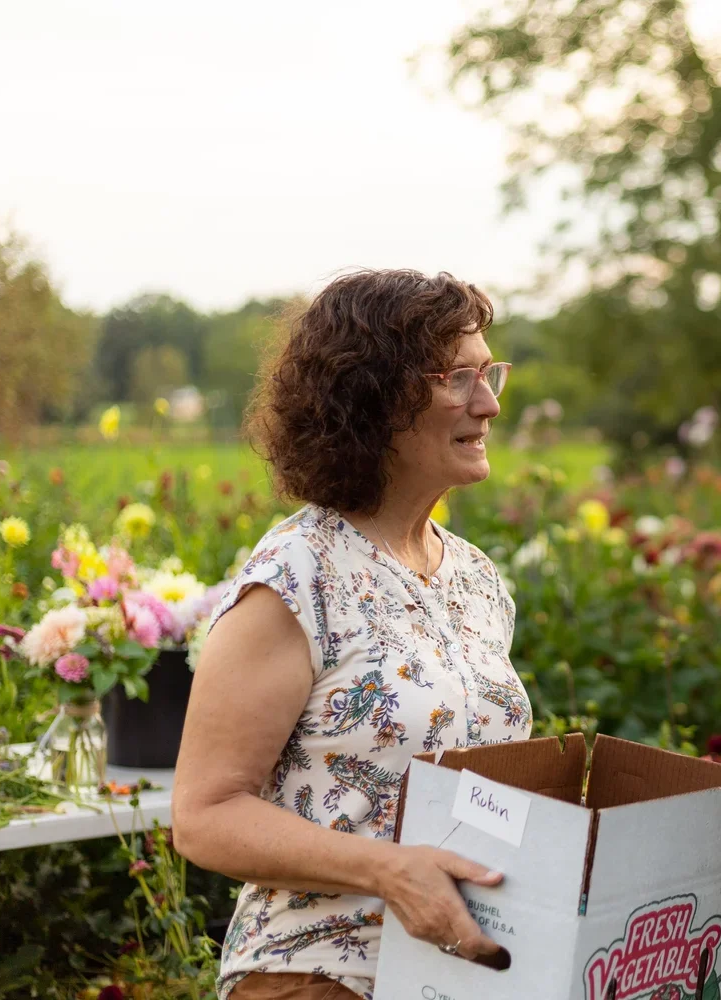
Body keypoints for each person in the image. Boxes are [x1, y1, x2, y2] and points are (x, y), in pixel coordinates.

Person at [172, 269, 532, 1000]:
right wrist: (388, 870)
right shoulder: (294, 576)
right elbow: (204, 816)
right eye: (458, 378)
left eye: (489, 373)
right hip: (318, 976)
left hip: (459, 977)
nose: (489, 403)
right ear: (374, 398)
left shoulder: (478, 579)